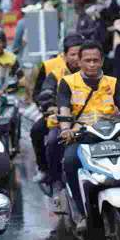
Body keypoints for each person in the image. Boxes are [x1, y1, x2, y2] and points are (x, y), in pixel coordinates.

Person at [55, 41, 120, 233]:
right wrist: (66, 129)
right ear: (79, 61)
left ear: (102, 61)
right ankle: (80, 212)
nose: (91, 64)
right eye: (87, 60)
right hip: (82, 136)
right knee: (70, 161)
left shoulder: (112, 82)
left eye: (96, 60)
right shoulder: (68, 82)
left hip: (110, 136)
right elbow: (63, 107)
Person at [29, 33, 83, 182]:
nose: (77, 58)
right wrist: (48, 107)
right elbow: (42, 92)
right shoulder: (53, 70)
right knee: (43, 135)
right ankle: (49, 174)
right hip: (59, 117)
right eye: (72, 54)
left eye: (80, 54)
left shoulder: (92, 70)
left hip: (88, 117)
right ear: (64, 55)